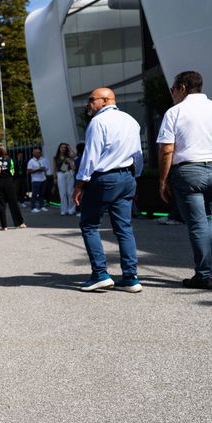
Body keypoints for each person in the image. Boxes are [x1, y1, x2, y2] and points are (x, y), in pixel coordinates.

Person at [157, 70, 212, 289]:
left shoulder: (175, 112)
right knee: (208, 218)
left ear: (183, 87)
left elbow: (166, 151)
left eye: (173, 89)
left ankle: (203, 275)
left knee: (197, 225)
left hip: (189, 172)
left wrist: (162, 181)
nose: (172, 93)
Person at [73, 87, 143, 292]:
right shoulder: (131, 120)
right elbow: (138, 154)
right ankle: (131, 277)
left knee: (89, 224)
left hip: (104, 178)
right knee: (124, 227)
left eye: (91, 99)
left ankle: (100, 274)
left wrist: (79, 185)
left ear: (105, 100)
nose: (88, 104)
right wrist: (135, 177)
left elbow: (90, 157)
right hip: (127, 176)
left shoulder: (98, 122)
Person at [0, 145, 26, 230]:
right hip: (9, 182)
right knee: (13, 203)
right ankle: (19, 223)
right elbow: (12, 171)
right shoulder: (10, 159)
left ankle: (4, 226)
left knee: (1, 204)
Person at [54, 143, 77, 215]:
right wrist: (54, 178)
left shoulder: (69, 156)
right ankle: (64, 210)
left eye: (64, 147)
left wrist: (69, 147)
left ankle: (71, 209)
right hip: (60, 174)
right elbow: (54, 168)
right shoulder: (56, 157)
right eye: (61, 147)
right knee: (62, 193)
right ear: (59, 148)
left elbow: (75, 154)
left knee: (70, 192)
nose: (63, 149)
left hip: (69, 173)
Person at [27, 148, 49, 212]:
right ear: (34, 153)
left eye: (39, 152)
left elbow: (45, 168)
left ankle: (41, 206)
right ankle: (33, 207)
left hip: (43, 179)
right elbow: (28, 171)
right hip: (36, 180)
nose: (39, 153)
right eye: (38, 152)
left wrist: (44, 169)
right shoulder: (31, 161)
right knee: (35, 194)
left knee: (42, 193)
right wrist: (37, 170)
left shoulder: (41, 160)